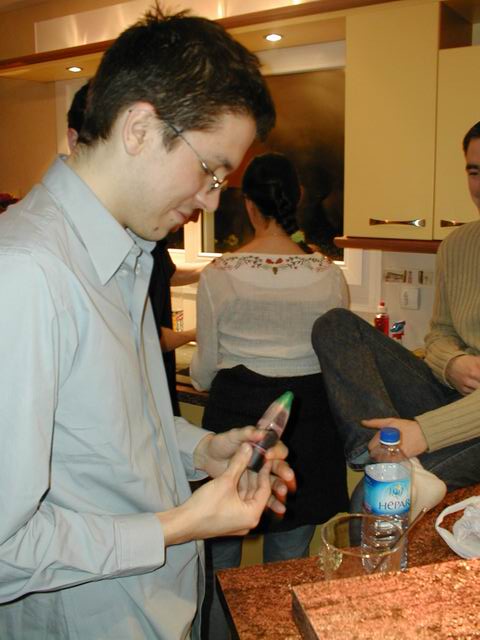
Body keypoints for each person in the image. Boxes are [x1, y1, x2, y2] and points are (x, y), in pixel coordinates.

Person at [0, 9, 297, 640]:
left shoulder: (126, 255)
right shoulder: (24, 274)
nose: (212, 200)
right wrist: (182, 525)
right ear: (139, 128)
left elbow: (110, 433)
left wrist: (201, 451)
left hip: (158, 613)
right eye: (211, 170)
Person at [190, 152, 349, 639]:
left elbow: (203, 372)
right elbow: (338, 362)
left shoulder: (219, 274)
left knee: (218, 567)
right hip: (306, 432)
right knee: (287, 569)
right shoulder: (328, 274)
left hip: (234, 429)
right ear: (296, 198)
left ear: (249, 205)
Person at [311, 121, 480, 511]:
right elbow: (439, 333)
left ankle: (391, 463)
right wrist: (452, 362)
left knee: (371, 498)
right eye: (474, 171)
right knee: (335, 325)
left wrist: (424, 432)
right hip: (450, 395)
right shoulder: (458, 246)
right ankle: (379, 453)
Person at [67, 81, 203, 416]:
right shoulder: (39, 259)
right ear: (73, 141)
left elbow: (163, 277)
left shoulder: (144, 237)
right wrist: (198, 332)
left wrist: (206, 271)